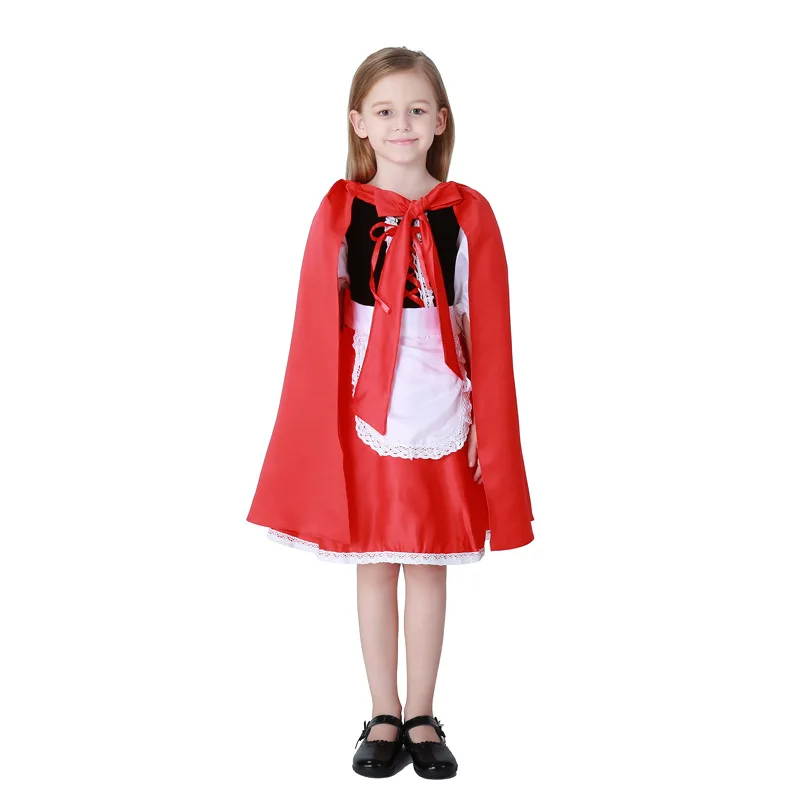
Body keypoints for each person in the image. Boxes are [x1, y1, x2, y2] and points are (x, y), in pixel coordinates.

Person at [246, 46, 535, 780]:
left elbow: (484, 325)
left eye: (415, 110)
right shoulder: (341, 211)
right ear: (359, 123)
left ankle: (423, 714)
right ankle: (381, 710)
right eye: (385, 111)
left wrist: (487, 424)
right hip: (363, 406)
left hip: (441, 401)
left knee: (428, 564)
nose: (401, 124)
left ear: (440, 121)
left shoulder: (469, 214)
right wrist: (322, 426)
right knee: (374, 563)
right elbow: (318, 324)